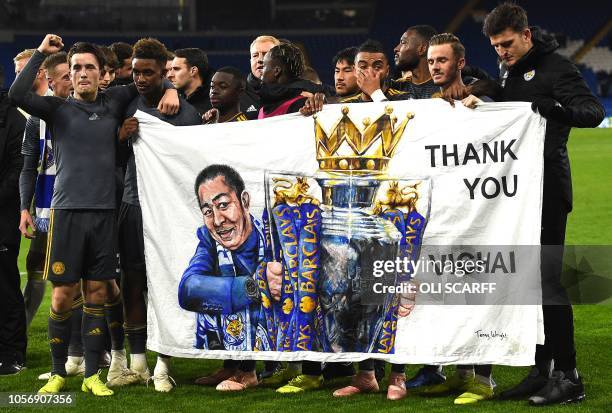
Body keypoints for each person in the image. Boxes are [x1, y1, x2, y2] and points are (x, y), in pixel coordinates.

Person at [9, 34, 179, 396]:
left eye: (89, 67)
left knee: (98, 294)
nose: (82, 73)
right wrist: (41, 53)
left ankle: (91, 376)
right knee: (61, 296)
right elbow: (17, 95)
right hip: (66, 214)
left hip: (104, 215)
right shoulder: (56, 109)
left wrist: (170, 91)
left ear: (104, 73)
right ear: (68, 74)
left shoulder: (115, 100)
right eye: (76, 68)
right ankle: (58, 373)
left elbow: (152, 78)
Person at [479, 3, 604, 405]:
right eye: (496, 46)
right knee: (528, 284)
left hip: (548, 191)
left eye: (507, 43)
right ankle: (541, 372)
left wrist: (559, 110)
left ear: (527, 35)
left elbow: (593, 111)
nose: (502, 51)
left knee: (549, 282)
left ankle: (570, 377)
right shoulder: (510, 71)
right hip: (519, 195)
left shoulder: (556, 68)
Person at [114, 37, 202, 393]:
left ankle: (164, 363)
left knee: (165, 286)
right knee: (133, 284)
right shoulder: (125, 103)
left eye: (148, 73)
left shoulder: (186, 114)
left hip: (170, 213)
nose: (140, 79)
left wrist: (173, 92)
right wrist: (121, 137)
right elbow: (112, 156)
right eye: (136, 72)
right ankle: (137, 362)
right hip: (133, 206)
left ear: (164, 72)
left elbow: (195, 167)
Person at [415, 33, 496, 405]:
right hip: (438, 216)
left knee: (478, 292)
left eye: (442, 61)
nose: (435, 67)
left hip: (477, 214)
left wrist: (487, 108)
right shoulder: (422, 107)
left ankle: (483, 378)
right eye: (431, 61)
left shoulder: (483, 104)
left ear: (459, 63)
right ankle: (458, 372)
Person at [178, 164, 282, 391]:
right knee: (231, 287)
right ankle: (232, 365)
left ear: (244, 201)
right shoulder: (208, 239)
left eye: (223, 205)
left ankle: (248, 371)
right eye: (208, 211)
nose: (217, 220)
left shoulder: (273, 235)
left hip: (280, 332)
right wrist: (255, 286)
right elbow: (189, 289)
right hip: (236, 316)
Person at [19, 52, 87, 381]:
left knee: (91, 285)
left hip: (87, 209)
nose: (71, 82)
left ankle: (94, 353)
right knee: (62, 284)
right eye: (64, 78)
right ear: (51, 81)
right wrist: (24, 209)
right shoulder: (38, 118)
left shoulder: (93, 111)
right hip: (50, 213)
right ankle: (73, 357)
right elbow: (29, 166)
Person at [0, 77, 26, 376]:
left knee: (4, 285)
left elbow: (18, 168)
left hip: (2, 215)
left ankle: (12, 352)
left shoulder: (14, 119)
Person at [392, 25, 440, 99]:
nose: (396, 49)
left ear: (422, 49)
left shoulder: (446, 88)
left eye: (403, 42)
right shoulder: (396, 87)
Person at [240, 35, 280, 118]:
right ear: (251, 61)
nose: (260, 59)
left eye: (266, 54)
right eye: (255, 55)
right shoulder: (237, 94)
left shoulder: (293, 91)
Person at [168, 48, 212, 115]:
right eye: (170, 69)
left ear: (193, 71)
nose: (170, 75)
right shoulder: (172, 97)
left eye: (176, 69)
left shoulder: (214, 103)